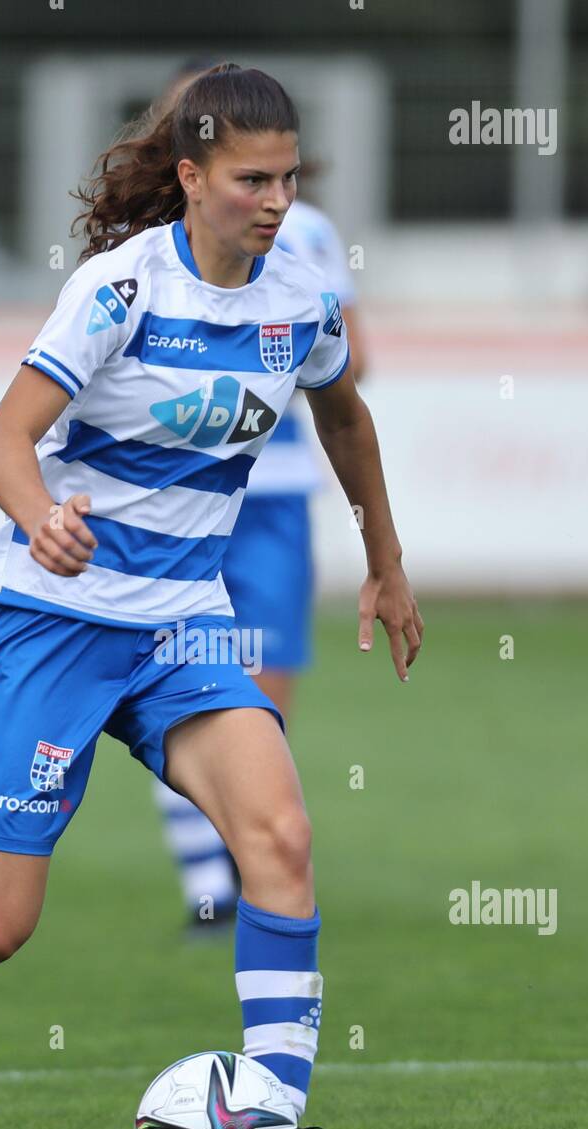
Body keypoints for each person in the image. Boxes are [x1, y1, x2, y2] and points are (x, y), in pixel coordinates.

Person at [0, 62, 423, 1129]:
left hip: (184, 625)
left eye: (288, 178)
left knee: (278, 837)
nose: (273, 201)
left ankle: (267, 1123)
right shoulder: (121, 291)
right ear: (189, 176)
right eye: (249, 179)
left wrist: (384, 561)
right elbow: (0, 443)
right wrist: (42, 519)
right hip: (50, 625)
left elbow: (345, 415)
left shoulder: (299, 297)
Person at [148, 73, 369, 937]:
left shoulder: (304, 234)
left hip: (269, 494)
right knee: (176, 689)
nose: (272, 198)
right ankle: (211, 884)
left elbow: (352, 371)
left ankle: (243, 864)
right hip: (171, 504)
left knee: (256, 699)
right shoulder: (147, 247)